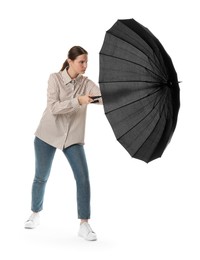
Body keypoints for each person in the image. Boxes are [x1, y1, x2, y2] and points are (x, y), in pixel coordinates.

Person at [24, 46, 102, 241]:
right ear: (70, 61)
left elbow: (102, 98)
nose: (85, 65)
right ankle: (35, 213)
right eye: (81, 62)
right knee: (41, 176)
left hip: (73, 138)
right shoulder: (54, 79)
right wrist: (78, 101)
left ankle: (84, 224)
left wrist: (123, 91)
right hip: (47, 135)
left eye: (86, 62)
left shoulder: (87, 84)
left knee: (83, 178)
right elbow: (53, 108)